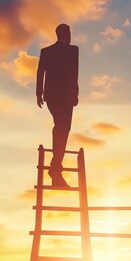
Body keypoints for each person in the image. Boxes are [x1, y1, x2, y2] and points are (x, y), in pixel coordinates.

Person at [36, 23, 79, 187]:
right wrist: (75, 94)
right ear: (67, 34)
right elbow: (74, 74)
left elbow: (41, 72)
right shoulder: (73, 51)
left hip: (52, 97)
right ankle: (55, 170)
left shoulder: (46, 51)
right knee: (63, 127)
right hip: (66, 97)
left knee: (60, 126)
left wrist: (38, 93)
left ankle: (56, 171)